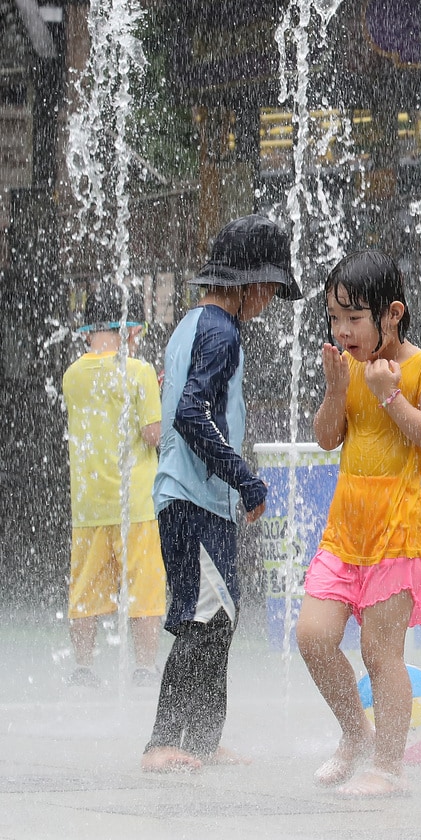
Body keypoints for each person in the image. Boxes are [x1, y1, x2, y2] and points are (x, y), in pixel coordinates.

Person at [141, 214, 299, 773]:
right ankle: (163, 740)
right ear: (249, 282)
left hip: (197, 498)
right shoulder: (221, 331)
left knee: (220, 615)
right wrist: (245, 477)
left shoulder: (193, 325)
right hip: (193, 497)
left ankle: (203, 740)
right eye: (272, 288)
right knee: (203, 615)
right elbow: (190, 413)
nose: (272, 300)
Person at [296, 249, 421, 796]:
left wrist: (390, 396)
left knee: (380, 654)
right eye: (334, 319)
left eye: (353, 319)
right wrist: (338, 389)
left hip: (396, 533)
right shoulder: (348, 366)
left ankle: (388, 766)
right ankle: (355, 735)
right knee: (313, 636)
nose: (342, 332)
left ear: (392, 313)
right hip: (345, 530)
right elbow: (325, 437)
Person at [62, 286, 166, 688]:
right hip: (135, 504)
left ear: (87, 331)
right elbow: (152, 433)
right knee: (145, 587)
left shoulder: (72, 375)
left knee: (84, 590)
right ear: (130, 329)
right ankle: (143, 669)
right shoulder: (138, 371)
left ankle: (84, 669)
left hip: (88, 505)